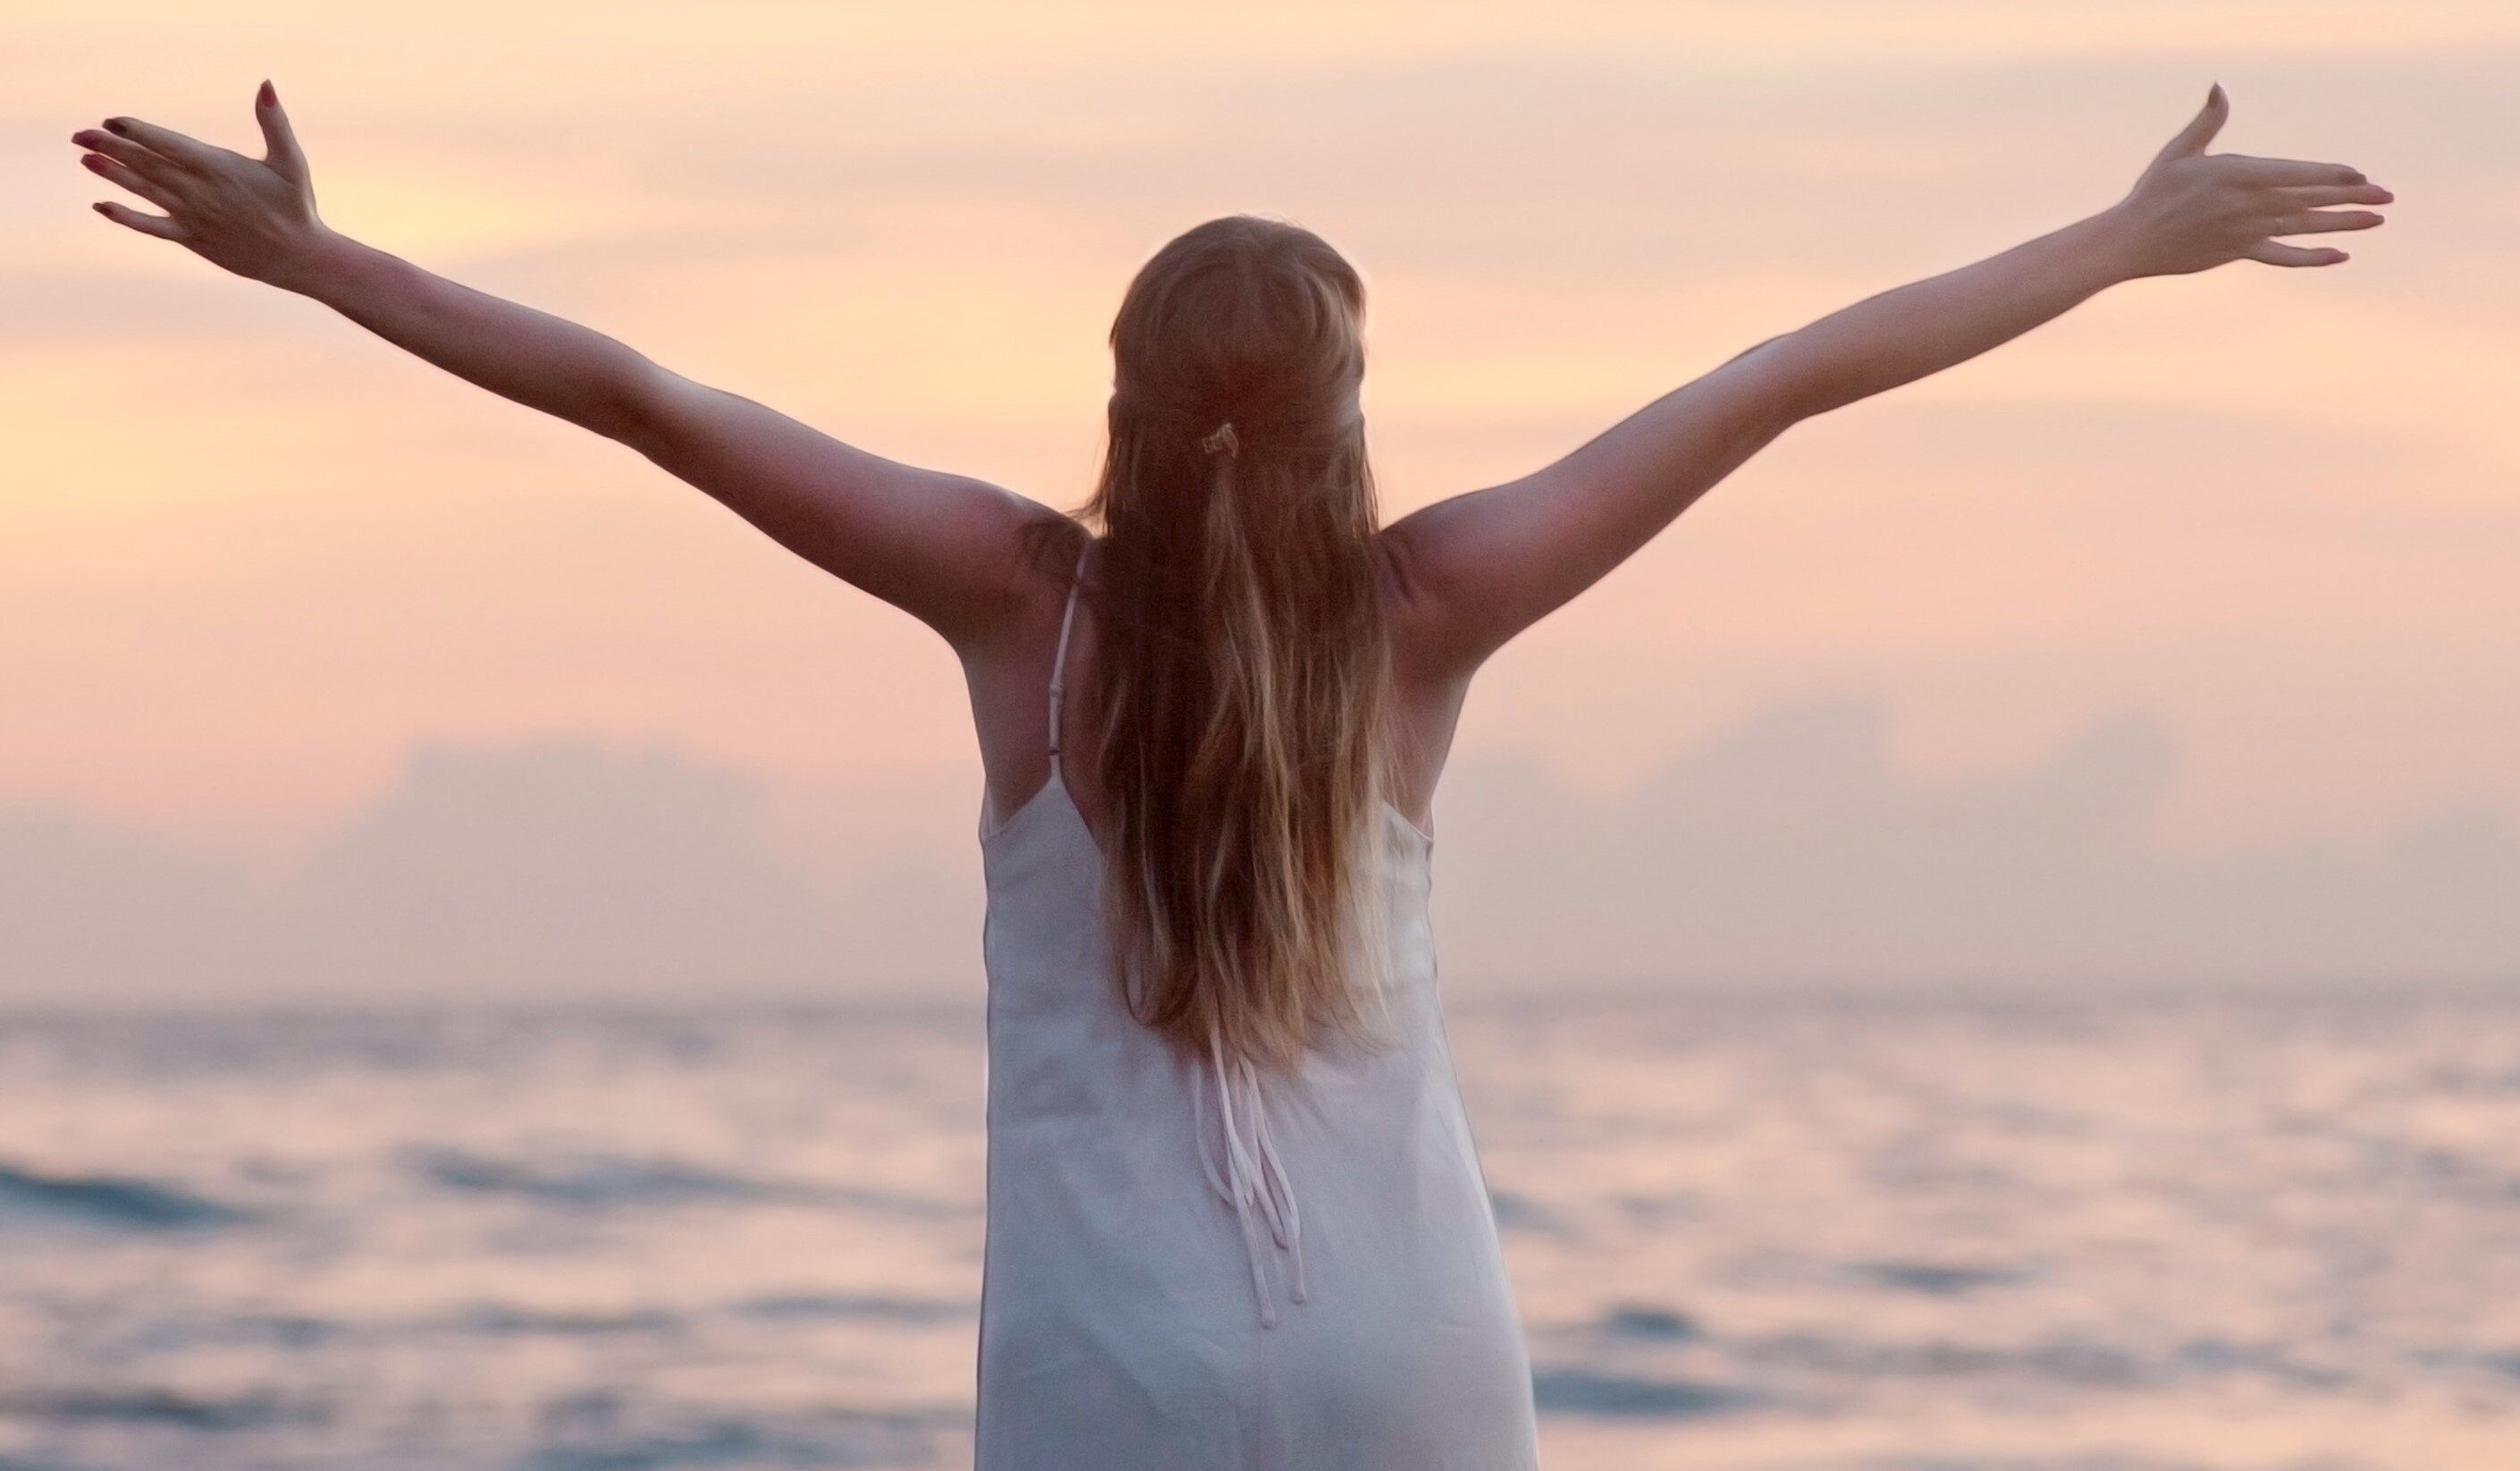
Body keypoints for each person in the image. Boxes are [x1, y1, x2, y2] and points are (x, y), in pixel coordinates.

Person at [71, 82, 2386, 1467]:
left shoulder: (1009, 600)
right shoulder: (1432, 602)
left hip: (1107, 1360)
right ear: (1346, 401)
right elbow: (1782, 371)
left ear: (1119, 381)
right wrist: (2116, 239)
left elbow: (644, 393)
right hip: (1407, 1339)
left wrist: (315, 258)